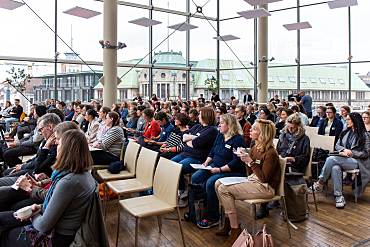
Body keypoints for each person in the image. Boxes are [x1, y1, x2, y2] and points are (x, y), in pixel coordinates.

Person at [0, 129, 95, 247]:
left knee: (5, 235)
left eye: (59, 143)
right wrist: (39, 208)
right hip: (59, 227)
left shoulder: (69, 181)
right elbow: (61, 205)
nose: (56, 145)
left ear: (67, 150)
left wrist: (33, 214)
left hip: (56, 237)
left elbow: (43, 226)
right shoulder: (82, 174)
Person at [215, 119, 281, 247]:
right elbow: (250, 172)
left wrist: (249, 161)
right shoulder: (255, 147)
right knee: (218, 183)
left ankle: (235, 229)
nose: (250, 130)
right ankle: (228, 224)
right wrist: (245, 158)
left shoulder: (271, 152)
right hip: (253, 180)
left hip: (266, 188)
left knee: (223, 189)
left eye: (254, 129)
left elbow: (264, 179)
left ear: (263, 134)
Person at [193, 114, 247, 229]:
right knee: (196, 177)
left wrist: (220, 170)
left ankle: (212, 217)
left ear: (230, 125)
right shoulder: (220, 135)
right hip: (215, 166)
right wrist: (206, 162)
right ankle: (197, 211)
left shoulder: (238, 139)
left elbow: (237, 162)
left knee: (210, 183)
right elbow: (212, 152)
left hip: (233, 170)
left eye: (222, 123)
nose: (219, 125)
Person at [309, 113, 370, 209]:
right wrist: (343, 150)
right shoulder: (345, 133)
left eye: (349, 119)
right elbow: (337, 145)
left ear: (355, 121)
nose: (346, 121)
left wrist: (351, 153)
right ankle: (339, 196)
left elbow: (366, 153)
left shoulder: (365, 135)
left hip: (356, 161)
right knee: (335, 168)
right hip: (343, 159)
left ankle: (320, 183)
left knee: (331, 159)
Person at [259, 113, 310, 217]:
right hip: (281, 162)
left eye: (293, 128)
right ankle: (265, 203)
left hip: (294, 166)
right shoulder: (284, 136)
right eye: (288, 127)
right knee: (267, 172)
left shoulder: (304, 139)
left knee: (272, 174)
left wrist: (293, 159)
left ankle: (267, 203)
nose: (290, 131)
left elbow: (305, 158)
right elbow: (278, 150)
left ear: (299, 127)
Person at [171, 107, 218, 204]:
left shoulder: (212, 130)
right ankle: (182, 188)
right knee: (170, 165)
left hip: (197, 158)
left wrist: (191, 139)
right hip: (185, 154)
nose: (199, 116)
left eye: (200, 114)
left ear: (206, 116)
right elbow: (183, 136)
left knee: (178, 168)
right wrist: (194, 138)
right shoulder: (198, 126)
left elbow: (197, 143)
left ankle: (183, 192)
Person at [0, 113, 61, 186]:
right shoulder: (46, 140)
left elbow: (38, 168)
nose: (40, 133)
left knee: (3, 180)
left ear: (50, 127)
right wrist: (25, 164)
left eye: (41, 129)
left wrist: (46, 147)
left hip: (37, 177)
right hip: (35, 171)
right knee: (7, 172)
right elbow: (38, 158)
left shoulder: (55, 145)